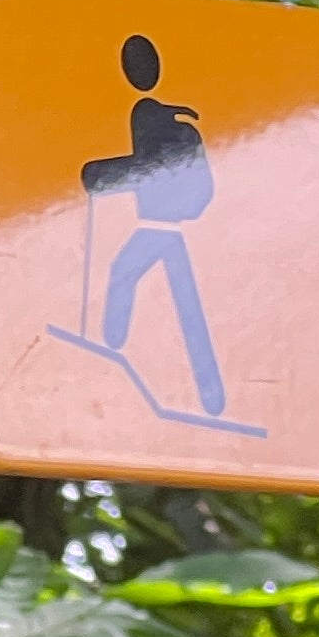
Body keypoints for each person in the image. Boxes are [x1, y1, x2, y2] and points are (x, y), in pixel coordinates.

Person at [78, 34, 223, 416]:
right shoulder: (157, 119)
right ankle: (110, 353)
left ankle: (212, 397)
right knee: (130, 275)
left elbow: (176, 178)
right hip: (154, 227)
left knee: (179, 299)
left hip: (168, 229)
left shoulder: (176, 128)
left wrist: (102, 176)